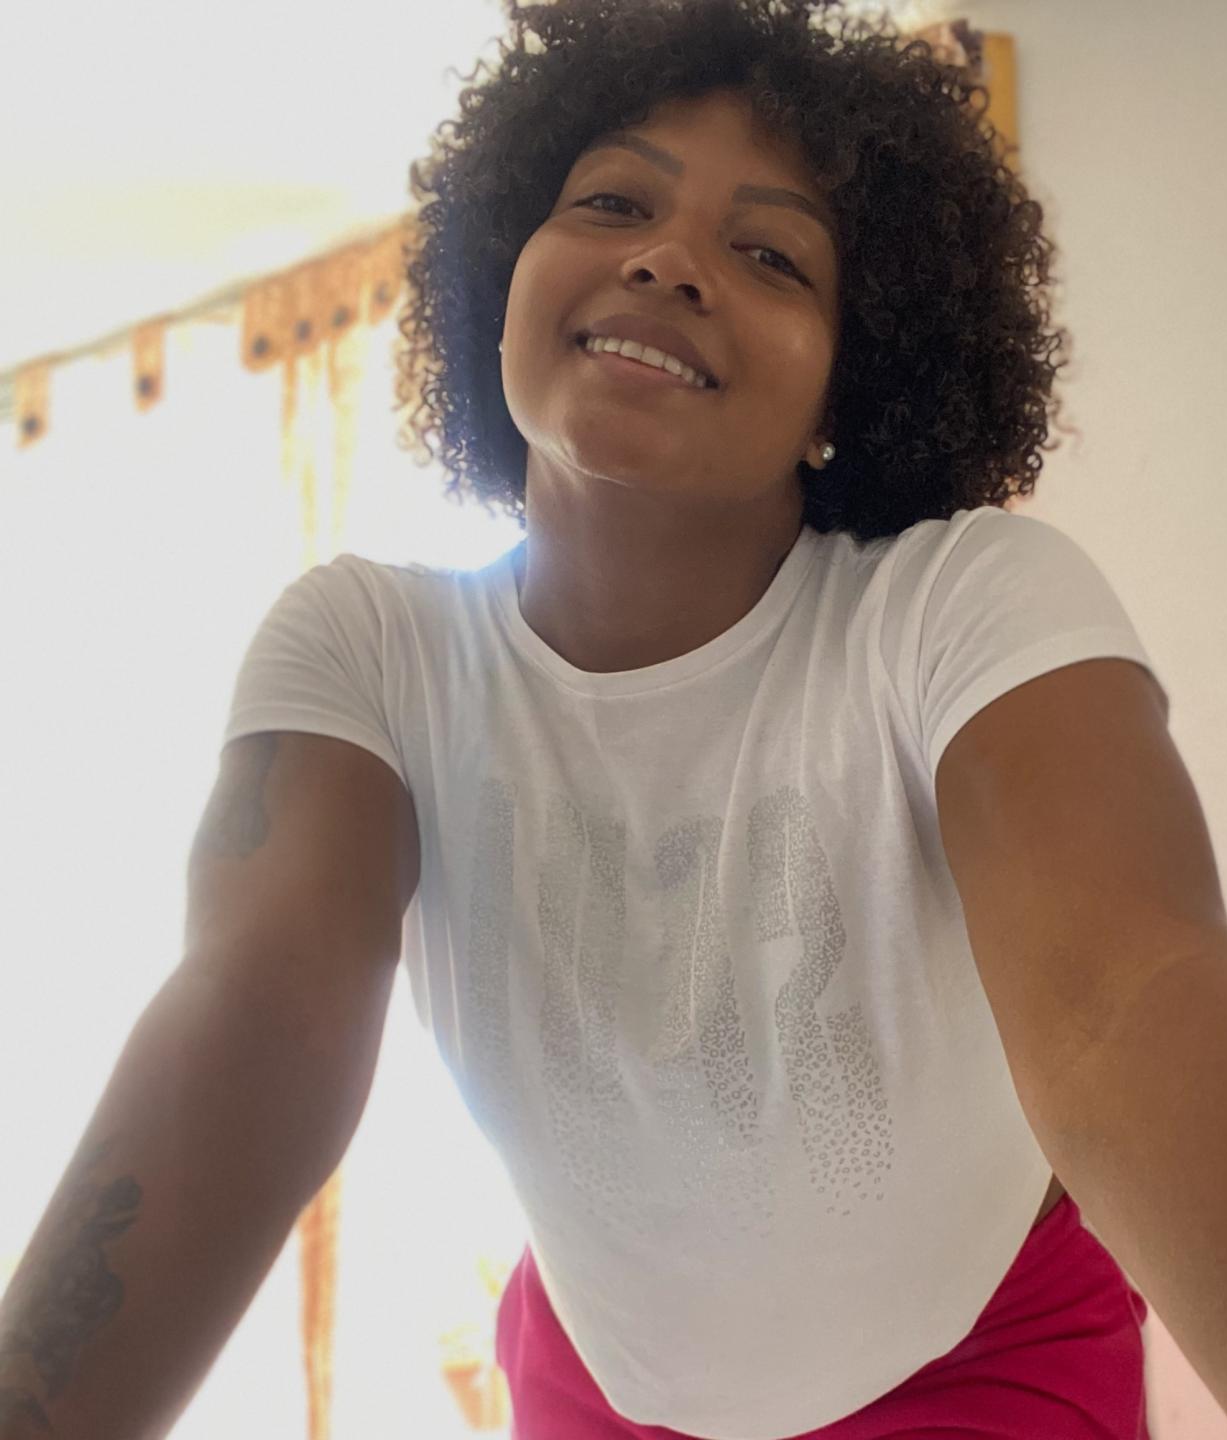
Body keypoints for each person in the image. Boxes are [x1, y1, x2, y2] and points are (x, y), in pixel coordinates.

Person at [0, 1, 1161, 1436]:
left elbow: (1136, 1000)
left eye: (772, 255)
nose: (667, 259)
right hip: (599, 1377)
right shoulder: (370, 653)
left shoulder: (955, 608)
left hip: (985, 1358)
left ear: (846, 388)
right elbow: (252, 1030)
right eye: (613, 201)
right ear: (506, 271)